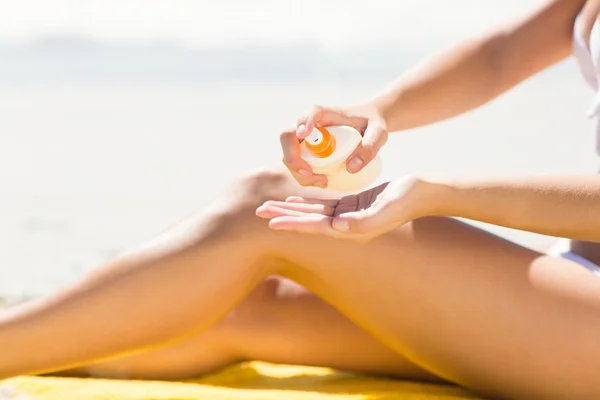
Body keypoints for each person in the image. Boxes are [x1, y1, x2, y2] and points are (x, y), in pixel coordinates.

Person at [1, 0, 600, 398]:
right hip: (578, 292)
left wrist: (443, 196)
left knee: (260, 210)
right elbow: (501, 54)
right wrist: (377, 113)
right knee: (237, 304)